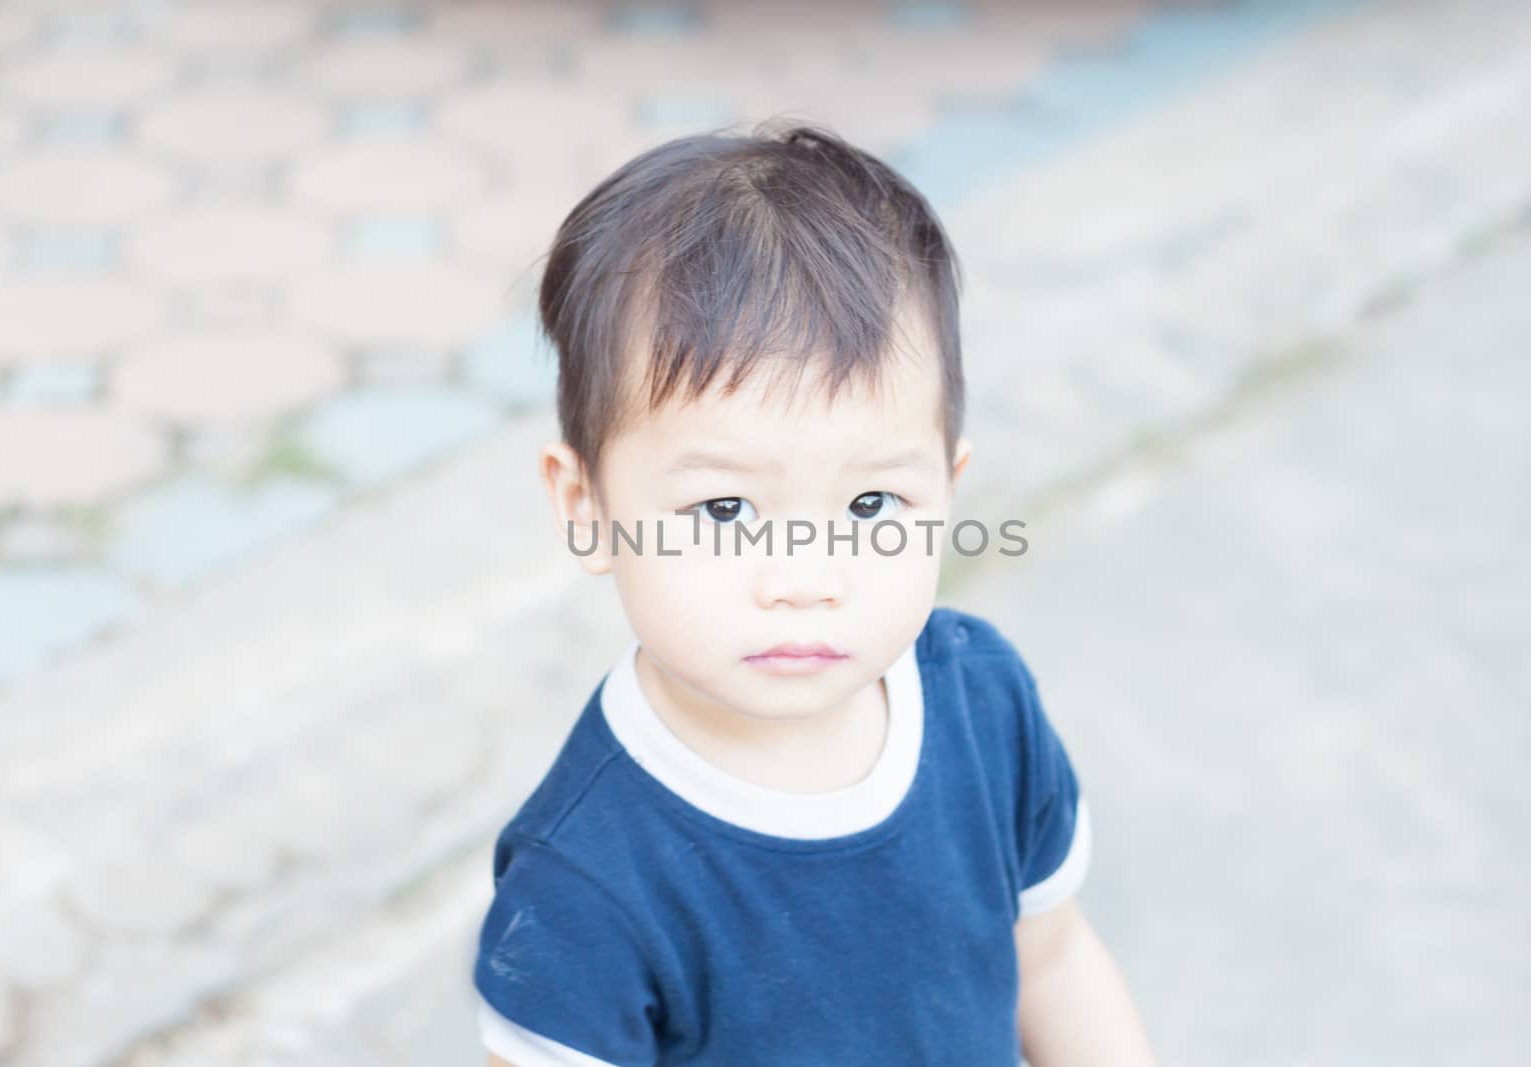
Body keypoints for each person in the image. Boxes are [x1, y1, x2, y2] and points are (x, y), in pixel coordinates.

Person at [472, 120, 1158, 1067]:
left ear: (948, 490)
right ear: (586, 504)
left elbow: (1052, 962)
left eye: (873, 501)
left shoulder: (984, 705)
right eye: (722, 509)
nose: (804, 577)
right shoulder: (585, 881)